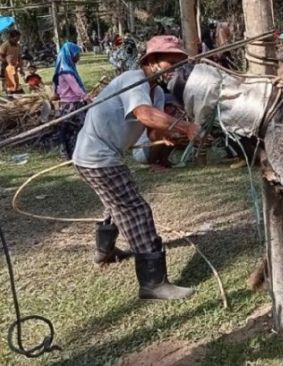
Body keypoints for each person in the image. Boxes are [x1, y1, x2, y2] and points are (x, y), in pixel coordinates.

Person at [72, 35, 199, 301]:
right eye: (170, 61)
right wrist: (185, 127)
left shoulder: (156, 92)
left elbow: (151, 132)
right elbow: (144, 114)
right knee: (135, 210)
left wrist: (173, 136)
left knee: (115, 202)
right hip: (97, 156)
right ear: (152, 61)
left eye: (178, 63)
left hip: (103, 156)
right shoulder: (134, 80)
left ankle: (104, 251)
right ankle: (153, 283)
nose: (174, 68)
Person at [54, 42, 88, 159]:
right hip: (71, 105)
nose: (78, 57)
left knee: (67, 129)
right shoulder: (66, 71)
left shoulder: (64, 68)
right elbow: (76, 88)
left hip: (66, 103)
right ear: (70, 55)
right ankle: (73, 153)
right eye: (77, 54)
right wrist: (86, 98)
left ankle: (70, 153)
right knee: (79, 128)